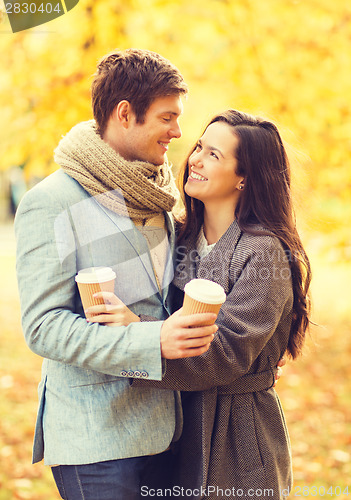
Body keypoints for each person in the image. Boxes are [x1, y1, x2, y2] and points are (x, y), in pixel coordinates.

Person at [14, 48, 219, 500]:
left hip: (169, 430)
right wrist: (153, 340)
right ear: (125, 114)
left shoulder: (156, 196)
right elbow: (43, 327)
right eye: (167, 117)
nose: (178, 132)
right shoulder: (51, 202)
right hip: (97, 441)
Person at [89, 109, 312, 499]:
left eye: (215, 155)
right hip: (170, 426)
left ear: (245, 177)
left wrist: (134, 330)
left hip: (237, 437)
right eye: (199, 147)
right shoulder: (179, 236)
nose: (195, 159)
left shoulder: (265, 253)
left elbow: (225, 354)